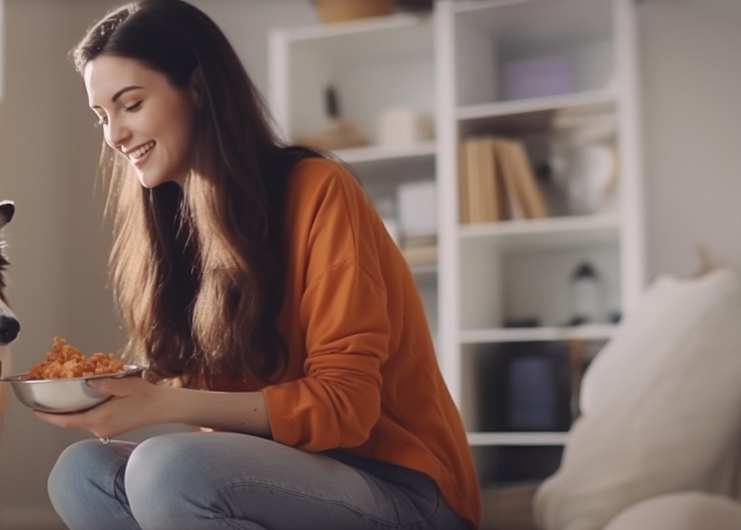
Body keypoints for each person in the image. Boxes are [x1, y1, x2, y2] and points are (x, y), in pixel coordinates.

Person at [33, 1, 481, 529]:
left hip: (403, 490)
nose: (114, 136)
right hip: (287, 477)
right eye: (102, 116)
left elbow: (345, 408)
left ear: (197, 88)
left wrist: (161, 405)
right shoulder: (177, 232)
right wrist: (127, 393)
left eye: (130, 105)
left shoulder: (317, 191)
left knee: (168, 467)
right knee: (80, 472)